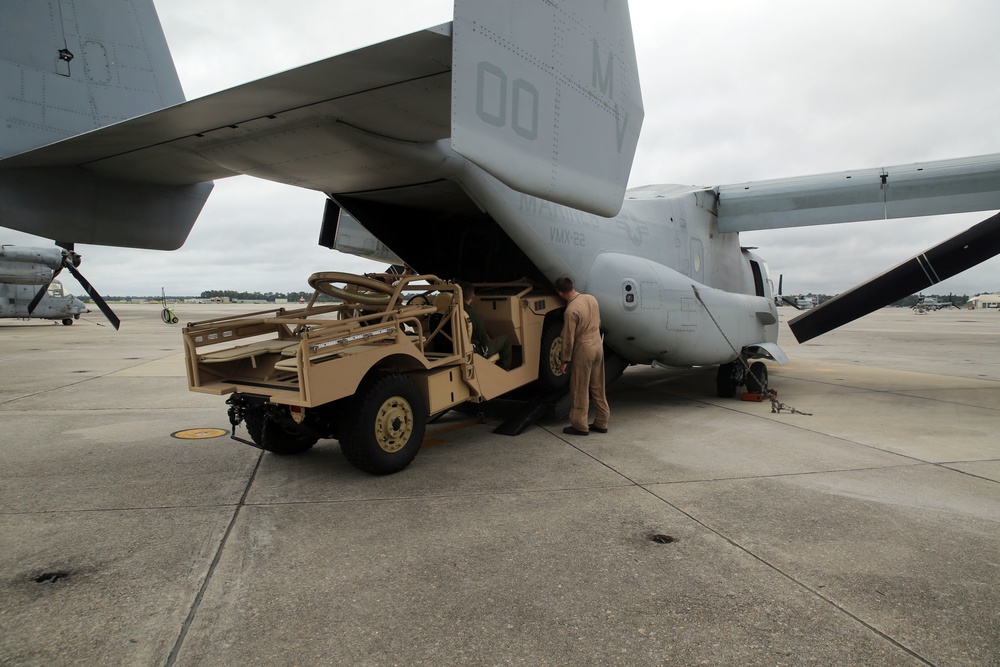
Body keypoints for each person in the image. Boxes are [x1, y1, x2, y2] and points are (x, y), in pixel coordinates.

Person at [555, 276, 610, 436]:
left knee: (580, 387)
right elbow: (598, 322)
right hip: (598, 345)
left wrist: (564, 360)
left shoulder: (570, 311)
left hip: (584, 349)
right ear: (573, 286)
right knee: (598, 386)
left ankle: (580, 425)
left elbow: (568, 339)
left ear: (560, 292)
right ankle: (602, 421)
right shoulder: (591, 299)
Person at [458, 281, 512, 370]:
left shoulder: (450, 311)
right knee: (506, 339)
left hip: (456, 349)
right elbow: (483, 340)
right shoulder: (476, 316)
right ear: (473, 296)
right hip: (475, 351)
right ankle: (503, 370)